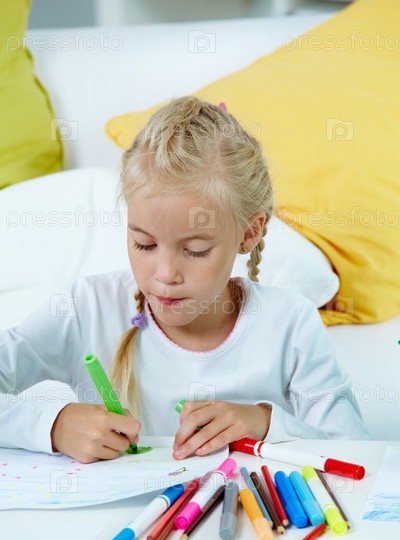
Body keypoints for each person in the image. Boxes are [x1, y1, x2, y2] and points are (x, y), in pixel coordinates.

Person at [0, 96, 370, 463]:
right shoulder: (87, 308)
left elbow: (358, 455)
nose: (164, 275)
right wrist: (53, 425)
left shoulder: (290, 323)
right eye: (144, 244)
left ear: (248, 233)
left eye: (195, 250)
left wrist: (265, 422)